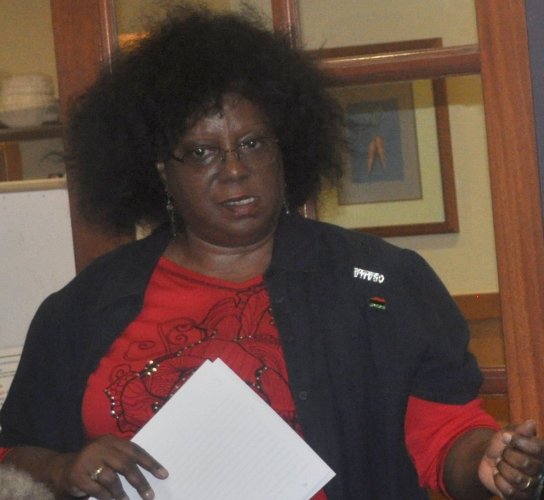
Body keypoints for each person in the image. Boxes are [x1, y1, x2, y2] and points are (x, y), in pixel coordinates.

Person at [0, 5, 543, 500]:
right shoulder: (86, 307)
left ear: (285, 146)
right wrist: (64, 469)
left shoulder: (379, 281)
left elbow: (444, 435)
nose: (235, 169)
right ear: (163, 171)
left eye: (253, 143)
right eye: (203, 151)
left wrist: (486, 462)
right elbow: (13, 453)